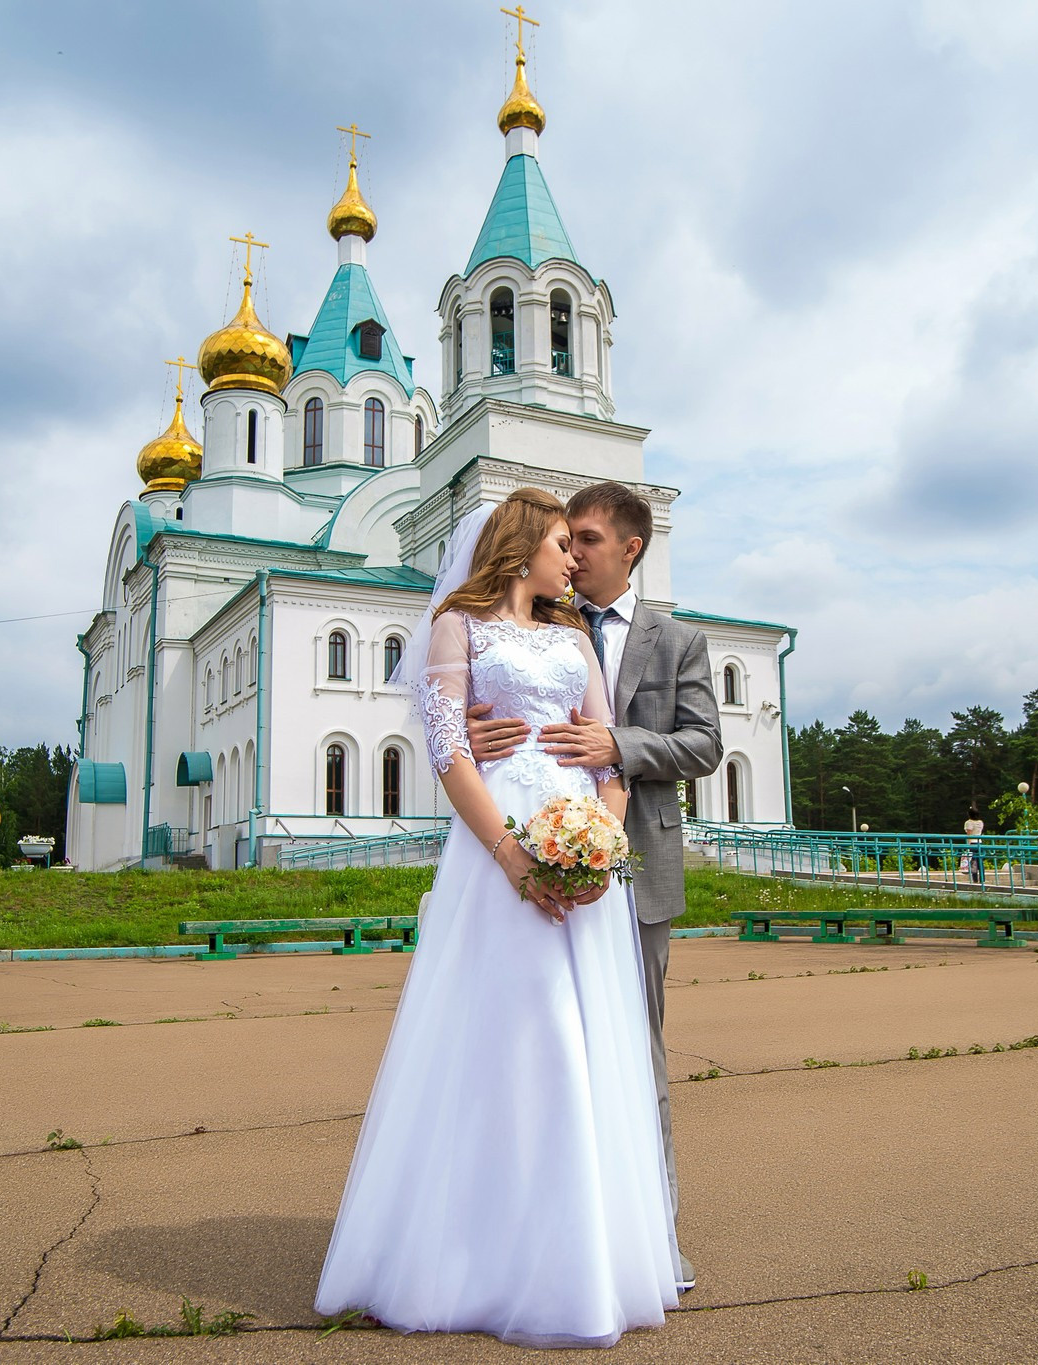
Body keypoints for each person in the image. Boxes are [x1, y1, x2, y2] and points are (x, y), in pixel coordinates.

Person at [315, 489, 678, 1348]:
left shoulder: (574, 636)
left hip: (581, 857)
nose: (573, 560)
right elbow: (448, 754)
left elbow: (606, 753)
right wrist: (516, 860)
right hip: (498, 855)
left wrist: (600, 848)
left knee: (584, 1043)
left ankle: (581, 1257)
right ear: (523, 551)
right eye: (562, 544)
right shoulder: (457, 625)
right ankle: (472, 1255)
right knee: (508, 1038)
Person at [466, 480, 722, 1295]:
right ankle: (534, 1236)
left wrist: (620, 741)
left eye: (585, 539)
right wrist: (475, 724)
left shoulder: (674, 638)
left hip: (632, 875)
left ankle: (654, 1241)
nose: (570, 552)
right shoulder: (542, 623)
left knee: (631, 1058)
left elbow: (704, 744)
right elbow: (479, 702)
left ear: (630, 548)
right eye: (563, 540)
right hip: (532, 862)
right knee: (537, 1052)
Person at [962, 805, 985, 885]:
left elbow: (969, 835)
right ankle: (982, 879)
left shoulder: (968, 823)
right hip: (980, 842)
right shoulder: (980, 822)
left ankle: (975, 879)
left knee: (973, 862)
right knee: (980, 861)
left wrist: (967, 846)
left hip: (972, 843)